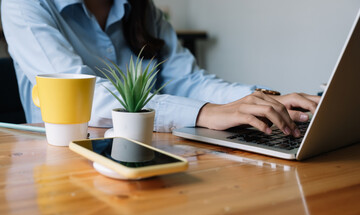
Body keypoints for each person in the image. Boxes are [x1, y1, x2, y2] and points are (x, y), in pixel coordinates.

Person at [1, 0, 320, 137]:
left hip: (152, 148)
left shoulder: (142, 8)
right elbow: (83, 96)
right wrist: (204, 113)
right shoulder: (25, 5)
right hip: (64, 163)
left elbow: (188, 80)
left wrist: (260, 100)